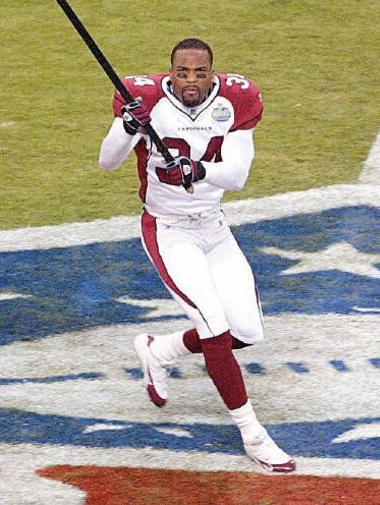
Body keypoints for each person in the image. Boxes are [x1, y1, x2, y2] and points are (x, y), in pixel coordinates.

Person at [98, 38, 295, 474]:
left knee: (247, 332)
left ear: (212, 73)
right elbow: (107, 162)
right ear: (170, 72)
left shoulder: (235, 99)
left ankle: (160, 351)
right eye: (182, 73)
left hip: (214, 226)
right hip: (168, 230)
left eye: (200, 73)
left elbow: (238, 175)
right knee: (214, 328)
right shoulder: (144, 98)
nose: (190, 81)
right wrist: (127, 127)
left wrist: (197, 169)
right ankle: (253, 434)